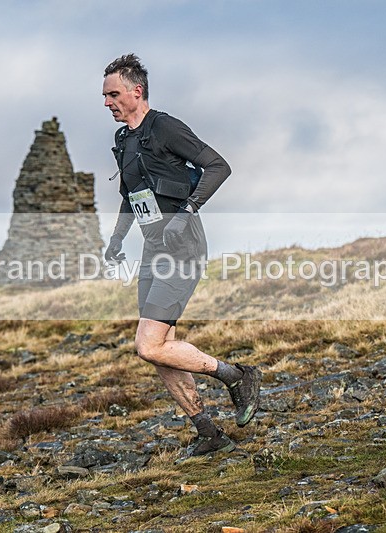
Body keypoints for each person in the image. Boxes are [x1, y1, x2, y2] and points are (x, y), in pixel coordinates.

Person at [101, 53, 262, 458]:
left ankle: (237, 376)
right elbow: (129, 195)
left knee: (148, 344)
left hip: (184, 246)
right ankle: (209, 432)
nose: (107, 102)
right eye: (105, 96)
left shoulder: (165, 128)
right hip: (153, 250)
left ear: (137, 92)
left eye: (113, 94)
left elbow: (218, 166)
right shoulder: (124, 141)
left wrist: (187, 210)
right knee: (158, 348)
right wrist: (117, 239)